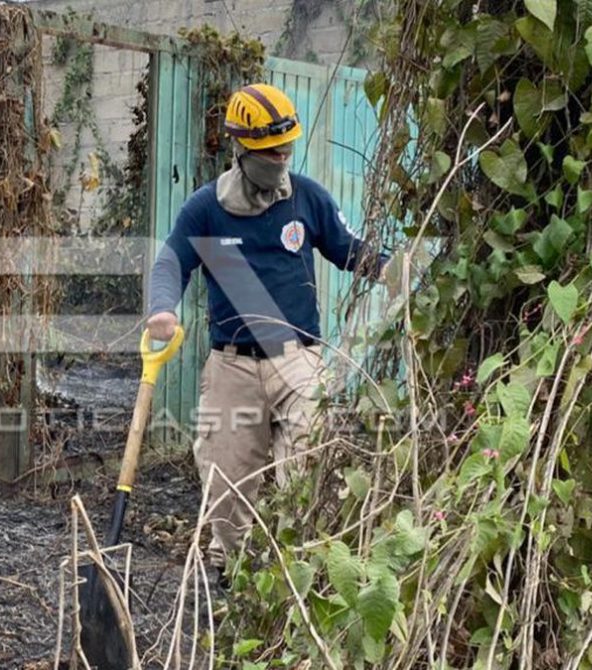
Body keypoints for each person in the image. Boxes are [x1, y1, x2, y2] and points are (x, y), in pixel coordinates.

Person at [147, 83, 387, 583]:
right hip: (232, 363)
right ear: (242, 149)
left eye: (287, 149)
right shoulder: (206, 209)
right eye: (270, 151)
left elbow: (347, 249)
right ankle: (234, 572)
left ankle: (303, 570)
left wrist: (393, 269)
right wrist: (162, 309)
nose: (282, 158)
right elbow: (171, 261)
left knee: (314, 460)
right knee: (227, 481)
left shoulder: (306, 199)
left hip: (296, 357)